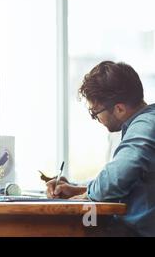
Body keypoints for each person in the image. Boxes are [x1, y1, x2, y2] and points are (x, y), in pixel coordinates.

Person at [46, 61, 155, 236]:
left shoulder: (146, 125)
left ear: (119, 108)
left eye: (95, 113)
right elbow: (123, 180)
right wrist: (76, 188)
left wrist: (87, 192)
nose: (96, 119)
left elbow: (115, 179)